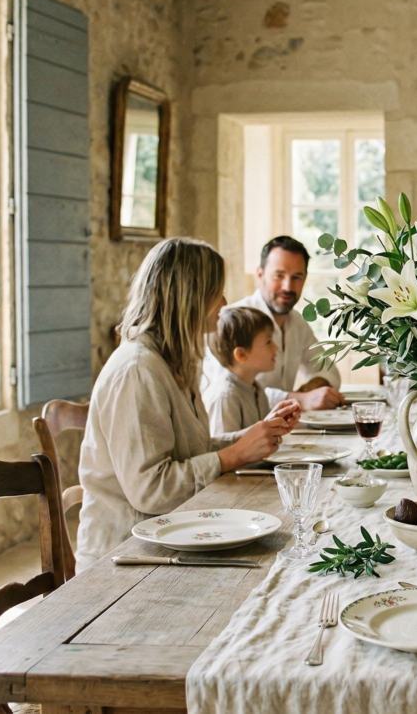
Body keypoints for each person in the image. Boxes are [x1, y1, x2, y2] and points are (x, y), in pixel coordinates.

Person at [77, 238, 301, 571]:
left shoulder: (173, 360)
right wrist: (233, 455)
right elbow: (151, 490)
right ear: (189, 298)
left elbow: (188, 451)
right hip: (127, 557)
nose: (224, 303)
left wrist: (247, 439)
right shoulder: (137, 369)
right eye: (216, 293)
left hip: (176, 536)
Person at [205, 236, 344, 411]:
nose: (288, 286)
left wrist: (311, 389)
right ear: (260, 275)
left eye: (297, 277)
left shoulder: (297, 323)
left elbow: (329, 370)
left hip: (283, 429)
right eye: (279, 275)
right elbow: (224, 390)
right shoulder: (230, 321)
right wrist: (297, 399)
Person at [204, 306, 303, 437]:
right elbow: (226, 451)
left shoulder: (256, 389)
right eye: (268, 342)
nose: (276, 347)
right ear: (241, 354)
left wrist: (276, 424)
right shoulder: (225, 397)